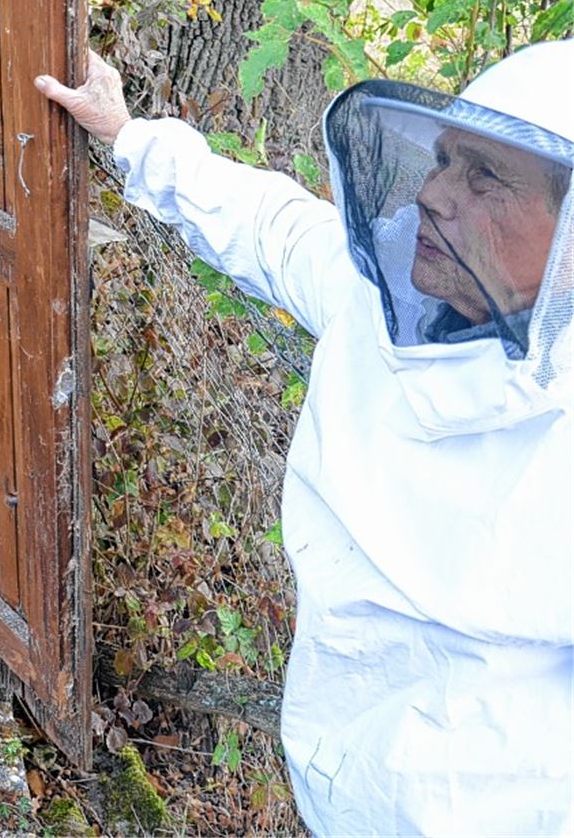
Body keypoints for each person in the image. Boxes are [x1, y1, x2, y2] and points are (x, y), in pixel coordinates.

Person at [36, 41, 573, 835]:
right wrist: (126, 134)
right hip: (335, 786)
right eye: (446, 160)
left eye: (485, 176)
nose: (431, 193)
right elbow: (269, 226)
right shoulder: (381, 304)